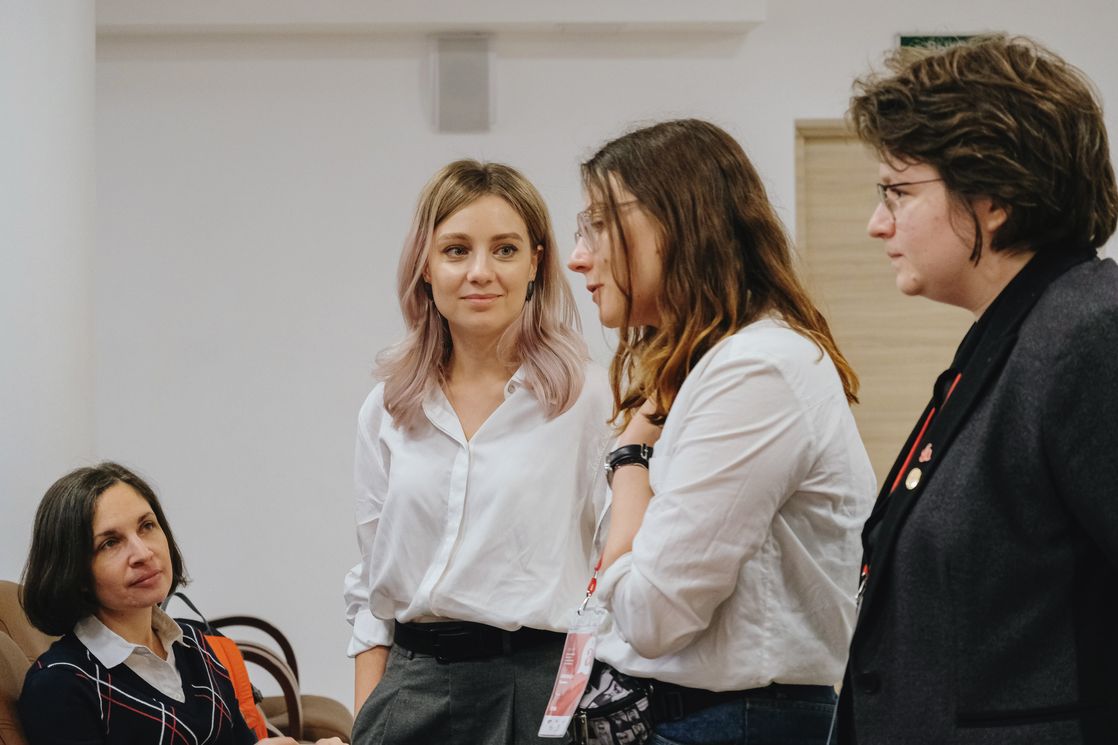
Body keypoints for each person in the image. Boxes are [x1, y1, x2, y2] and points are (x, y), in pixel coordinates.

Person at [836, 35, 1118, 744]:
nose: (877, 223)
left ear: (993, 199)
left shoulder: (1088, 332)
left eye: (898, 192)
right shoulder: (1015, 333)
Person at [566, 119, 876, 745]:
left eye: (599, 223)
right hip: (698, 714)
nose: (579, 256)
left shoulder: (756, 368)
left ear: (676, 221)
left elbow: (653, 616)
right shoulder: (708, 368)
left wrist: (630, 459)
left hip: (726, 720)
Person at [344, 160, 612, 745]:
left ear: (536, 263)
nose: (480, 272)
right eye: (457, 250)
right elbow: (370, 590)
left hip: (537, 690)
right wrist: (369, 717)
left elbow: (614, 574)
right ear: (426, 266)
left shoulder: (591, 400)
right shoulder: (388, 407)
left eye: (506, 250)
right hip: (409, 689)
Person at [18, 462, 343, 745]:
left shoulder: (197, 646)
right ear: (74, 571)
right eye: (110, 543)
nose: (143, 553)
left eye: (147, 526)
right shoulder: (60, 684)